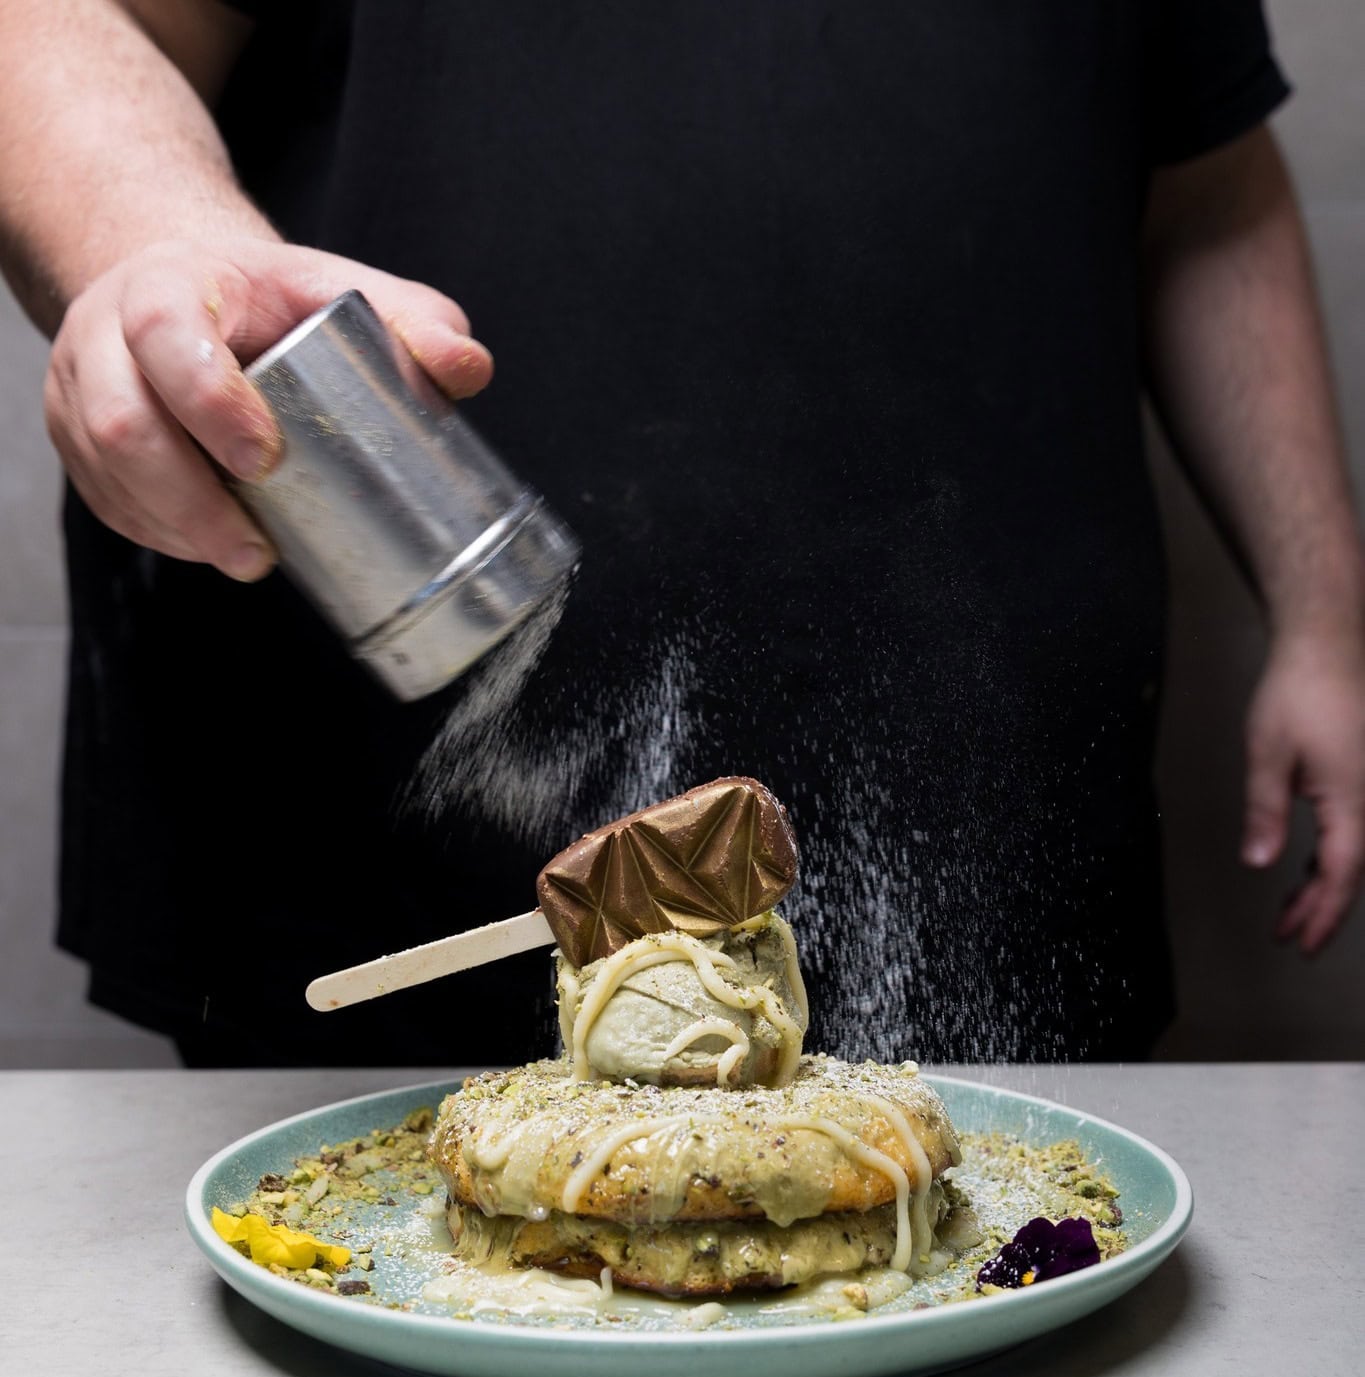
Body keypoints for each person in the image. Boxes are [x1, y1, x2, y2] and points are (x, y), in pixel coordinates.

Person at [1, 0, 1362, 1066]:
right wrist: (156, 251)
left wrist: (1324, 618)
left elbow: (1210, 193)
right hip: (361, 844)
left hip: (993, 850)